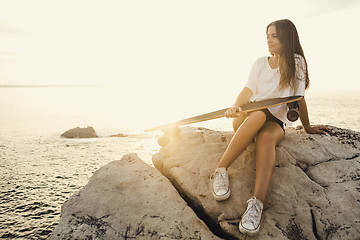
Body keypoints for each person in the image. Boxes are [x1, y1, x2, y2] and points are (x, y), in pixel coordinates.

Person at [210, 19, 329, 236]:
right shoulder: (259, 63)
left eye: (274, 36)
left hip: (276, 121)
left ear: (286, 37)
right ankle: (220, 169)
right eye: (267, 36)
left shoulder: (296, 62)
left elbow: (299, 98)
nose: (269, 40)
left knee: (266, 140)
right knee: (256, 115)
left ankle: (256, 204)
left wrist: (308, 127)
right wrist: (235, 105)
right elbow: (247, 91)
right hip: (248, 117)